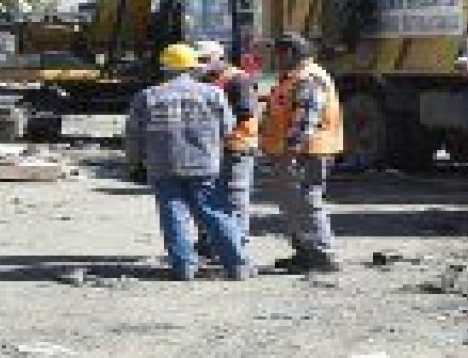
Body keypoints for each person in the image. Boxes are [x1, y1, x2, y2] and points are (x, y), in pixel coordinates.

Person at [126, 42, 251, 282]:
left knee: (174, 215)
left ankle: (184, 268)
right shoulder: (213, 93)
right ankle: (237, 266)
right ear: (192, 68)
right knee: (215, 213)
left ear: (165, 68)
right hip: (204, 164)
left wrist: (134, 164)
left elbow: (133, 136)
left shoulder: (147, 96)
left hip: (163, 166)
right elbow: (228, 128)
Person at [260, 32, 343, 273]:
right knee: (294, 204)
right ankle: (306, 252)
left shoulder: (309, 79)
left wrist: (291, 152)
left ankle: (321, 255)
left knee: (307, 202)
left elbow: (306, 120)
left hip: (306, 153)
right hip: (296, 152)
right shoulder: (294, 77)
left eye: (278, 53)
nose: (274, 58)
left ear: (290, 53)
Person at [192, 40, 258, 250]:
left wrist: (213, 125)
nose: (199, 65)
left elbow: (245, 111)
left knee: (234, 197)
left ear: (218, 58)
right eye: (196, 61)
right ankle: (210, 243)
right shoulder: (203, 80)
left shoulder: (238, 79)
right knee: (208, 196)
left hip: (236, 146)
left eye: (204, 60)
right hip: (211, 148)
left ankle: (236, 244)